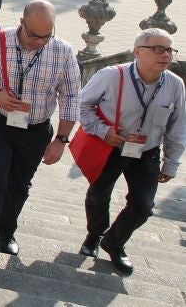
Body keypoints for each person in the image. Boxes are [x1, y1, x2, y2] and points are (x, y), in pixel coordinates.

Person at [0, 0, 81, 263]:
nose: (41, 41)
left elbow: (72, 96)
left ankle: (5, 233)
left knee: (18, 184)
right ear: (22, 23)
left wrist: (61, 139)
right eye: (34, 35)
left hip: (35, 129)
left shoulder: (62, 51)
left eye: (46, 36)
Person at [78, 29, 184, 274]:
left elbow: (178, 126)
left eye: (169, 49)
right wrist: (103, 131)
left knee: (144, 206)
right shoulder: (111, 76)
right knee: (98, 195)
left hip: (146, 152)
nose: (165, 55)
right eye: (158, 49)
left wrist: (171, 164)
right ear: (138, 51)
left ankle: (113, 242)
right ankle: (94, 236)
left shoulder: (175, 85)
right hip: (111, 147)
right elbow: (82, 105)